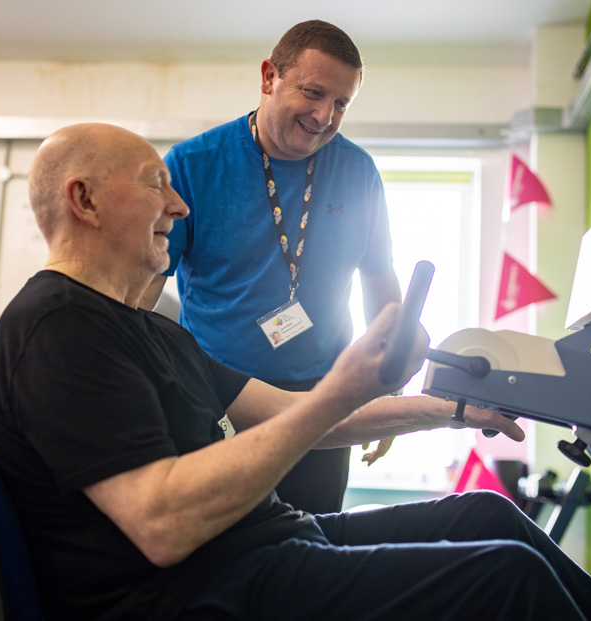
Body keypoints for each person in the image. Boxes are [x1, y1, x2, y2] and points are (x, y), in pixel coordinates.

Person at [0, 123, 591, 621]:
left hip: (263, 546)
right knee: (506, 577)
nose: (177, 205)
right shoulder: (56, 330)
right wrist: (346, 382)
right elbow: (162, 521)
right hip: (191, 595)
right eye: (154, 182)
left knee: (490, 517)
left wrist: (452, 410)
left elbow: (293, 415)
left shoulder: (149, 331)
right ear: (83, 199)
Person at [139, 20, 401, 514]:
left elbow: (380, 282)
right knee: (222, 556)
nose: (325, 116)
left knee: (316, 551)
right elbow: (147, 283)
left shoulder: (359, 172)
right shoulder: (193, 165)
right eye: (314, 92)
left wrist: (388, 387)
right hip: (217, 398)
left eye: (342, 103)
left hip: (322, 401)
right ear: (269, 77)